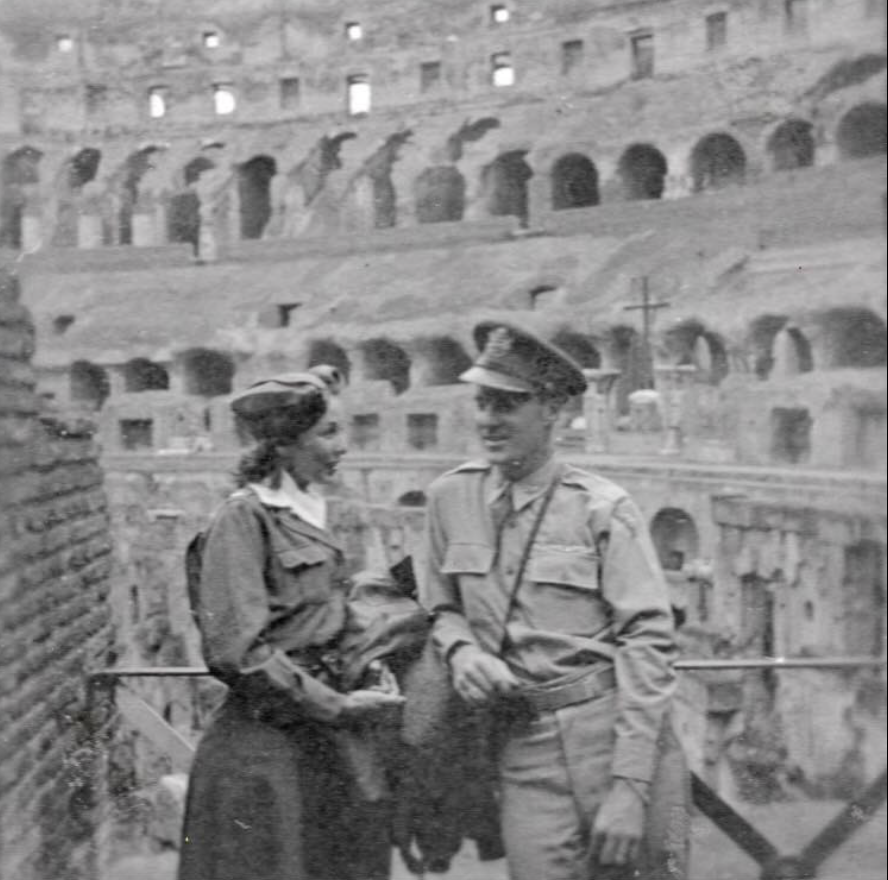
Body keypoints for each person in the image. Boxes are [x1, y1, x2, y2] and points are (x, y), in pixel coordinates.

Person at [420, 321, 680, 880]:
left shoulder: (603, 508)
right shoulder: (448, 499)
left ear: (553, 410)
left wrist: (631, 787)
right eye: (483, 402)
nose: (489, 419)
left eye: (508, 404)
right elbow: (439, 608)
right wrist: (464, 653)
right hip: (523, 747)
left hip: (620, 737)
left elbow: (649, 642)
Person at [178, 367, 404, 880]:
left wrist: (367, 669)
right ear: (283, 445)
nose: (343, 446)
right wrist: (339, 706)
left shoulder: (309, 516)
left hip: (326, 744)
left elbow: (323, 622)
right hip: (265, 755)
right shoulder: (243, 520)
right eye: (328, 433)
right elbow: (237, 651)